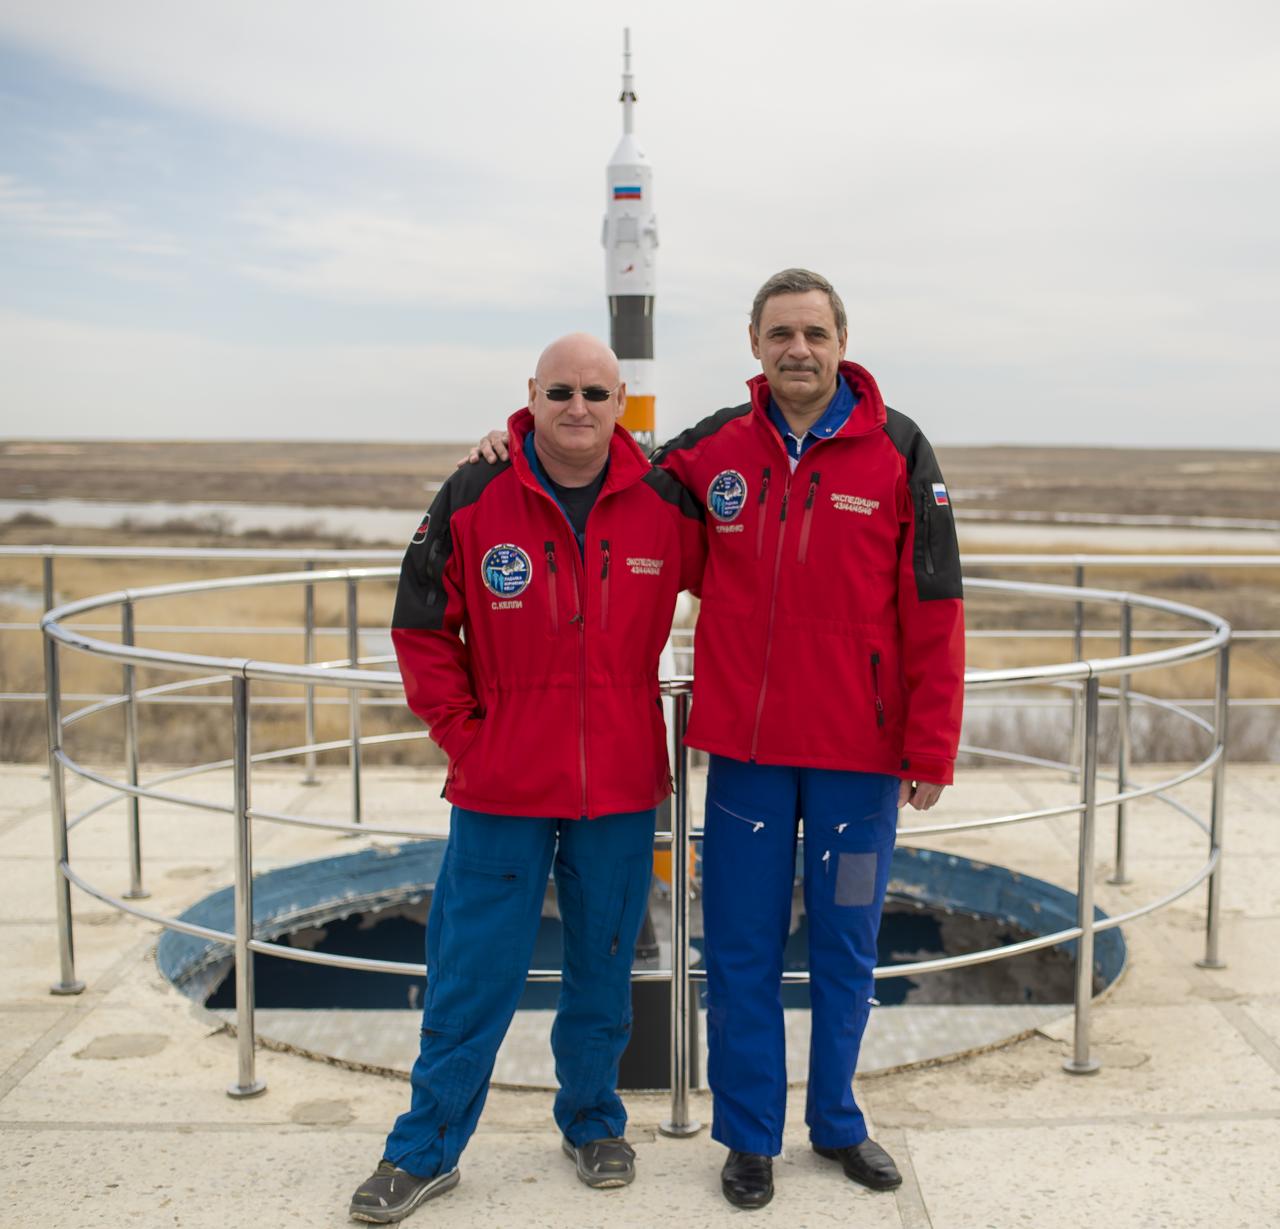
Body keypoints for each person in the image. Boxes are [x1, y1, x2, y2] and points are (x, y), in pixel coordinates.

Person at [464, 270, 965, 1211]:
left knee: (848, 943)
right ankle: (749, 1136)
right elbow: (598, 453)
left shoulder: (899, 450)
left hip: (860, 763)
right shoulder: (713, 449)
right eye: (781, 333)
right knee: (739, 950)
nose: (798, 350)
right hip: (747, 756)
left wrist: (930, 742)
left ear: (842, 339)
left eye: (814, 332)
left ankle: (840, 1121)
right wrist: (514, 435)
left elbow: (935, 606)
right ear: (754, 343)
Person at [350, 333, 705, 1224]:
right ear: (531, 397)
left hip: (620, 784)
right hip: (500, 785)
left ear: (621, 400)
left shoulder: (665, 500)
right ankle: (423, 1150)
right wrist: (465, 737)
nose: (577, 407)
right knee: (472, 973)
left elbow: (752, 566)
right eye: (560, 392)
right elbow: (421, 625)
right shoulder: (477, 490)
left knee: (601, 970)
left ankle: (592, 1123)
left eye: (594, 391)